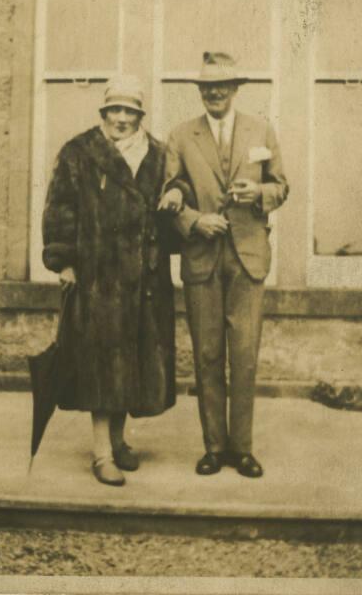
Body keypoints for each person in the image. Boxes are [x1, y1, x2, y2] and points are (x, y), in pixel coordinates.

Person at [42, 75, 176, 486]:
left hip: (145, 278)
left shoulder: (157, 154)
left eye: (129, 111)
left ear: (140, 115)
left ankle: (118, 441)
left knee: (131, 358)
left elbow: (174, 188)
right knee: (102, 361)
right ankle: (101, 453)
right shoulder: (79, 152)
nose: (121, 118)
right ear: (103, 113)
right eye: (114, 110)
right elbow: (60, 208)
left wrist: (178, 193)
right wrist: (64, 261)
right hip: (98, 277)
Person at [159, 52, 288, 478]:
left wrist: (261, 192)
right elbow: (168, 194)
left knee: (245, 356)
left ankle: (242, 448)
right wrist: (196, 221)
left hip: (248, 257)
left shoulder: (261, 129)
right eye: (207, 87)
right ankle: (214, 447)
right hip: (202, 259)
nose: (215, 93)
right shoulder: (180, 136)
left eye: (223, 86)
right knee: (208, 355)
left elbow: (282, 185)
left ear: (235, 89)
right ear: (200, 92)